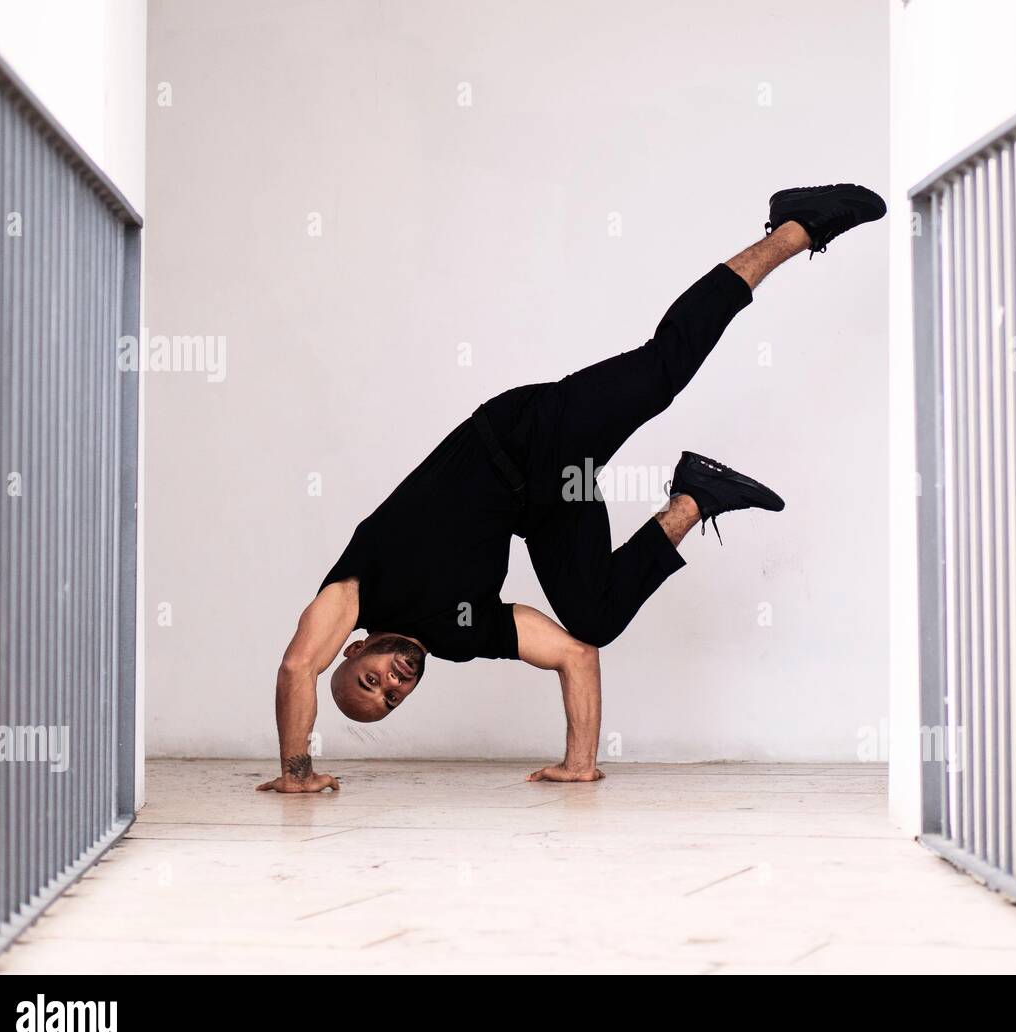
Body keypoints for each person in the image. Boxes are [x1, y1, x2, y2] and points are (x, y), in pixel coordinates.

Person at [258, 183, 886, 794]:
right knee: (594, 618)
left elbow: (296, 666)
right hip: (553, 494)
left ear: (355, 650)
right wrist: (580, 763)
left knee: (663, 368)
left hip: (524, 437)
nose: (389, 685)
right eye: (390, 701)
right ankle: (693, 497)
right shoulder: (461, 636)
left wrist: (297, 771)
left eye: (368, 683)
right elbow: (574, 655)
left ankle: (794, 227)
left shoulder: (361, 591)